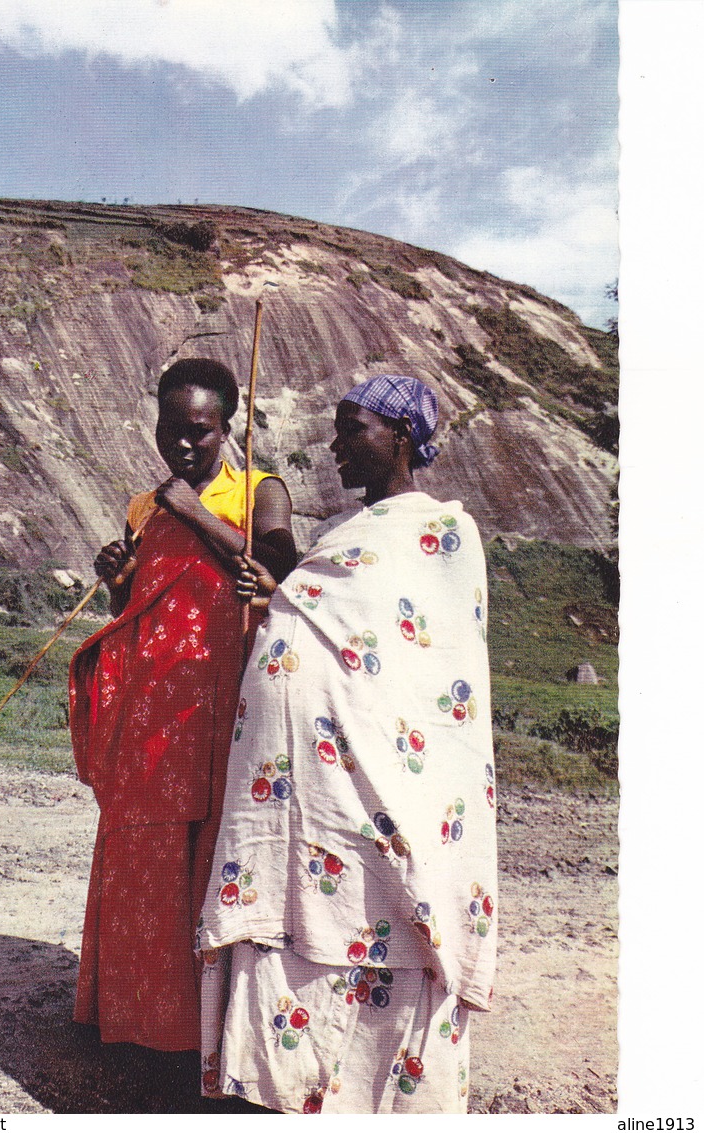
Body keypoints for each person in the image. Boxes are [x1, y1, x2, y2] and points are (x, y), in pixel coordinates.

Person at [195, 374, 497, 1114]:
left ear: (400, 435)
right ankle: (282, 1089)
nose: (335, 445)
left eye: (351, 428)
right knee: (296, 924)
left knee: (378, 911)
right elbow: (315, 612)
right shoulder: (339, 535)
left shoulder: (440, 534)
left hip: (378, 779)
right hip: (302, 794)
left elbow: (425, 663)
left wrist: (289, 593)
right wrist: (277, 592)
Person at [68, 357, 296, 1054]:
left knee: (216, 851)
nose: (184, 445)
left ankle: (214, 1034)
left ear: (228, 428)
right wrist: (119, 579)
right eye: (171, 430)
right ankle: (140, 1021)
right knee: (144, 852)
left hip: (225, 701)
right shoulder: (143, 505)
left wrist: (194, 512)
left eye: (198, 431)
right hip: (155, 706)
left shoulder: (261, 492)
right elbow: (133, 610)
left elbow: (282, 570)